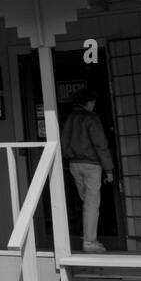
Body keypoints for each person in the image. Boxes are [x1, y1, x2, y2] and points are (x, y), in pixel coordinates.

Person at [60, 88, 115, 252]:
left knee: (86, 202)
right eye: (93, 102)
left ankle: (88, 237)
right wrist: (109, 169)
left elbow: (63, 142)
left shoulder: (69, 118)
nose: (94, 105)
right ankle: (90, 242)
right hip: (92, 164)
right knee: (92, 203)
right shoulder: (91, 118)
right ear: (89, 102)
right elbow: (100, 144)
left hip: (74, 164)